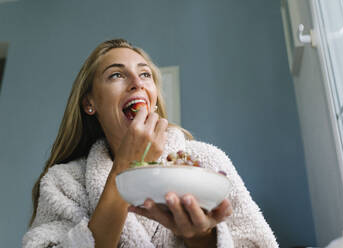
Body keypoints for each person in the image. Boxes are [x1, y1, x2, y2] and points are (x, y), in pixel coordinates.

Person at [22, 39, 278, 248]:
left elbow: (258, 243)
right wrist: (125, 166)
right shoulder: (63, 182)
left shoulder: (208, 162)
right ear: (90, 103)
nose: (137, 83)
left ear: (153, 100)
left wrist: (200, 238)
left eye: (145, 74)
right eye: (116, 75)